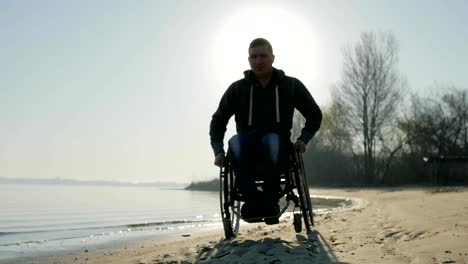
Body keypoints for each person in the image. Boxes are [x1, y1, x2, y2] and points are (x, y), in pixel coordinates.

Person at [209, 38, 322, 223]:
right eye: (253, 57)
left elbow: (315, 114)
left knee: (272, 140)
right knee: (235, 142)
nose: (258, 61)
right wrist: (218, 151)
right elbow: (218, 119)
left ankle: (269, 201)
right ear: (248, 60)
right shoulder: (238, 89)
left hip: (278, 144)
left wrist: (304, 139)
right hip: (246, 145)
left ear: (272, 58)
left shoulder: (290, 85)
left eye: (263, 56)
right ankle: (255, 202)